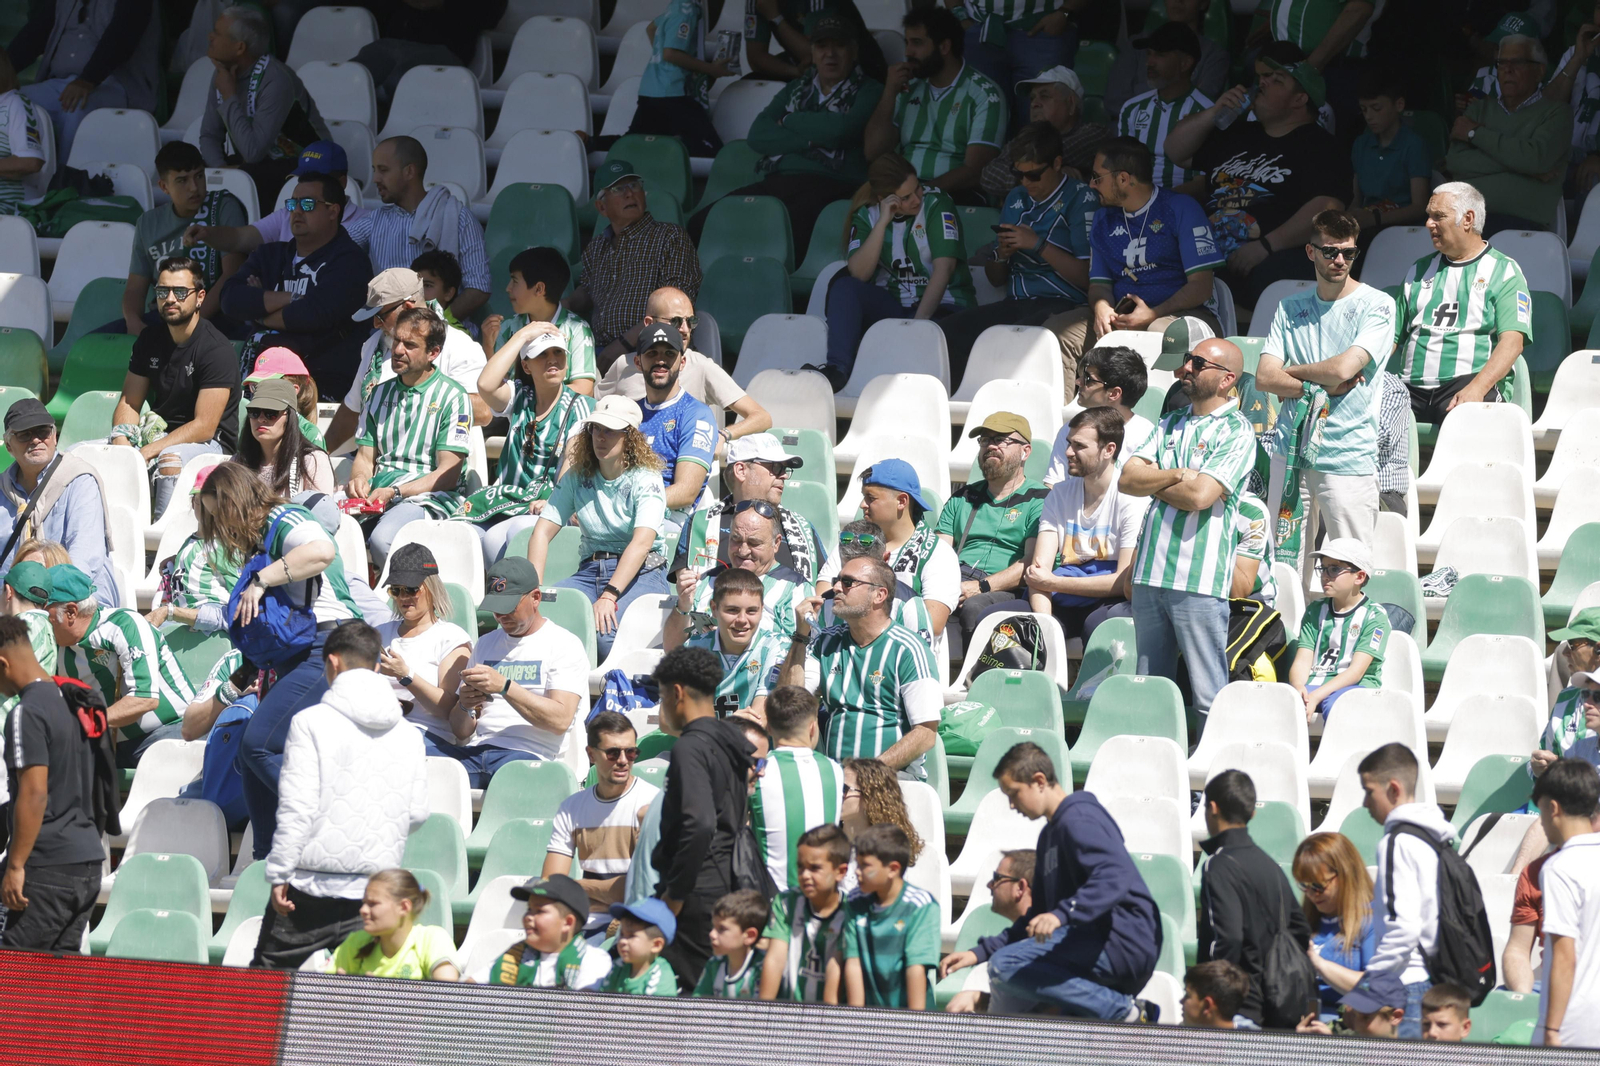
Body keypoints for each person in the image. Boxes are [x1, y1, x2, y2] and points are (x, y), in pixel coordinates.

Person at [200, 462, 361, 859]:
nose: (220, 525)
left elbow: (322, 551)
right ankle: (268, 860)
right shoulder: (258, 538)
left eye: (220, 513)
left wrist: (261, 580)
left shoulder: (284, 518)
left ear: (236, 501)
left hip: (331, 645)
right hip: (298, 652)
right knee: (250, 754)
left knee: (257, 744)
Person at [939, 741, 1161, 1020]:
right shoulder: (1049, 837)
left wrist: (1062, 914)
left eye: (1014, 793)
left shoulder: (1080, 818)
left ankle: (1125, 1012)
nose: (1011, 804)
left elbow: (1114, 875)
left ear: (1039, 781)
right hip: (1089, 946)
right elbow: (1036, 917)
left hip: (1124, 942)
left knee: (1005, 965)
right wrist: (977, 952)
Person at [254, 620, 427, 969]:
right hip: (374, 892)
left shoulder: (309, 722)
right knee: (357, 1011)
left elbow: (296, 809)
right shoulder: (409, 735)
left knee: (264, 999)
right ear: (377, 666)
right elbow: (417, 814)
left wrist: (279, 873)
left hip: (308, 886)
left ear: (332, 662)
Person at [1119, 337, 1255, 718]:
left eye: (1198, 363)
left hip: (1198, 579)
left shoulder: (1237, 431)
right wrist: (1179, 474)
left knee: (1207, 695)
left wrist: (1156, 479)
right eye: (1188, 361)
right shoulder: (1171, 421)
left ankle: (1211, 771)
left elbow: (1201, 497)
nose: (1187, 369)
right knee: (1149, 689)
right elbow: (1127, 479)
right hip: (1148, 574)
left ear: (1227, 379)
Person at [1161, 49, 1350, 306]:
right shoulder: (1238, 133)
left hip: (1266, 257)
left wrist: (1266, 246)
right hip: (1205, 250)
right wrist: (1215, 111)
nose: (1262, 82)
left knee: (1277, 272)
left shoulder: (1320, 146)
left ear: (1299, 99)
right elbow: (1175, 150)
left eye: (1277, 80)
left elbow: (1327, 208)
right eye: (1264, 77)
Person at [1255, 210, 1392, 558]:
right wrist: (1319, 387)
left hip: (1347, 453)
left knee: (1351, 568)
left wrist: (1295, 371)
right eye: (1330, 251)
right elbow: (1265, 377)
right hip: (1290, 453)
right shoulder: (1289, 307)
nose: (1340, 260)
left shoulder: (1378, 304)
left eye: (1349, 253)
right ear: (1310, 252)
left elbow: (1343, 369)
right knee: (1283, 567)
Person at [698, 12, 883, 265]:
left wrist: (788, 120)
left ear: (854, 51)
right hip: (780, 180)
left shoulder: (870, 90)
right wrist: (811, 141)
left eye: (839, 45)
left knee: (782, 231)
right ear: (813, 51)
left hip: (833, 183)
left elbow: (841, 131)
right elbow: (758, 134)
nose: (830, 54)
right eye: (822, 46)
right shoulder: (797, 87)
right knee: (705, 221)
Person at [1044, 139, 1223, 395]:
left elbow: (1201, 287)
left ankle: (1162, 423)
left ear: (1124, 178)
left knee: (1157, 333)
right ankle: (1069, 423)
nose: (1092, 184)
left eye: (1097, 177)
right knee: (1057, 332)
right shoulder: (1103, 218)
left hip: (1184, 314)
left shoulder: (1180, 208)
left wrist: (1154, 313)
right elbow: (1099, 284)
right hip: (1122, 316)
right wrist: (1102, 307)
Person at [938, 121, 1099, 381]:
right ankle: (958, 410)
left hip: (1064, 304)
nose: (1026, 182)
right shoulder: (1015, 197)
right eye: (1019, 174)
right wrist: (1001, 254)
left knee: (1010, 339)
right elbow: (995, 278)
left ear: (1057, 163)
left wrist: (1037, 244)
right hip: (1016, 302)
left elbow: (1087, 278)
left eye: (1033, 175)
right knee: (946, 332)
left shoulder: (1082, 198)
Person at [810, 153, 974, 392]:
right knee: (844, 286)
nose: (917, 199)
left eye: (917, 188)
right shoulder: (868, 214)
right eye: (905, 198)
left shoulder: (937, 202)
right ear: (884, 199)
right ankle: (837, 371)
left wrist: (917, 326)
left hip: (944, 307)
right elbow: (859, 274)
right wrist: (882, 222)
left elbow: (944, 268)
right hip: (894, 306)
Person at [527, 396, 671, 660]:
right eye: (596, 428)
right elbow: (540, 533)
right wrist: (532, 590)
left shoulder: (647, 479)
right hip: (589, 571)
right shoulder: (576, 477)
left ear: (630, 437)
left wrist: (610, 594)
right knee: (539, 622)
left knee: (606, 638)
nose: (600, 437)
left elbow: (641, 544)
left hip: (643, 572)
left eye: (610, 430)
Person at [650, 646, 760, 990]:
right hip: (728, 883)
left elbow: (699, 825)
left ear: (678, 693)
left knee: (694, 999)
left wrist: (675, 897)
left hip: (696, 895)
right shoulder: (730, 737)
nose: (664, 705)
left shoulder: (690, 747)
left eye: (663, 695)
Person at [779, 556, 941, 779]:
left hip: (892, 780)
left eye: (848, 582)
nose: (835, 587)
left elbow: (925, 733)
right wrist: (800, 636)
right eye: (837, 580)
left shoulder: (909, 649)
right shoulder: (826, 643)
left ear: (879, 595)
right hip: (836, 780)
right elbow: (790, 706)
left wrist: (866, 774)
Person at [0, 614, 104, 952]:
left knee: (14, 982)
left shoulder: (25, 713)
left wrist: (15, 866)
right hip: (87, 863)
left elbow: (34, 793)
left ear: (2, 664)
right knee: (55, 993)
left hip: (46, 868)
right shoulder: (77, 702)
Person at [111, 257, 242, 520]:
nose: (170, 299)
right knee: (82, 453)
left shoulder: (216, 349)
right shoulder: (149, 339)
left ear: (200, 297)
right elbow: (129, 402)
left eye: (180, 292)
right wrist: (121, 441)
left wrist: (148, 451)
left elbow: (205, 425)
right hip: (159, 436)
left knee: (169, 459)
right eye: (162, 291)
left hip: (211, 444)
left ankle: (159, 543)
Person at [220, 174, 373, 398]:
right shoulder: (270, 255)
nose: (297, 211)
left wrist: (260, 310)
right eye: (292, 204)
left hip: (318, 385)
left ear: (333, 211)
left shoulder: (350, 261)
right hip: (258, 378)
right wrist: (289, 298)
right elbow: (230, 299)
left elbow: (313, 314)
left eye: (308, 204)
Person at [1392, 182, 1531, 425]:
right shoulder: (1419, 269)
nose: (1428, 224)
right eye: (1428, 216)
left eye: (1439, 216)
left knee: (1467, 421)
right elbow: (1390, 337)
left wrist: (1477, 388)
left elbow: (1513, 342)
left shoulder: (1505, 271)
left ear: (1467, 219)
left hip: (1467, 384)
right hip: (1408, 389)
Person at [440, 557, 587, 788]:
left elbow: (560, 720)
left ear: (535, 598)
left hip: (530, 756)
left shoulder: (564, 644)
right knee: (419, 767)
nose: (501, 616)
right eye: (495, 609)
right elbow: (461, 730)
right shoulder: (485, 643)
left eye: (509, 607)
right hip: (477, 750)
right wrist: (464, 706)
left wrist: (506, 687)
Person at [345, 305, 472, 568]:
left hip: (427, 498)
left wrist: (396, 491)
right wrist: (358, 479)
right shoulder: (377, 394)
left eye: (410, 345)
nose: (398, 350)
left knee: (383, 540)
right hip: (379, 494)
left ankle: (403, 603)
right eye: (397, 340)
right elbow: (365, 458)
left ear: (433, 353)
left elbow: (448, 474)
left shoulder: (454, 397)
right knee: (333, 532)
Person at [466, 323, 594, 565]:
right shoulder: (520, 397)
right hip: (507, 500)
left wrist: (555, 501)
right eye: (542, 355)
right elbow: (485, 384)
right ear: (526, 365)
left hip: (548, 504)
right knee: (464, 535)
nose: (552, 360)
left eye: (558, 353)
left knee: (496, 538)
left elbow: (573, 461)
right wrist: (522, 335)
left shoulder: (582, 406)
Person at [46, 564, 193, 767]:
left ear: (71, 612)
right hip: (111, 744)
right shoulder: (57, 648)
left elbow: (145, 699)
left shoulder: (125, 625)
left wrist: (85, 723)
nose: (39, 620)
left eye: (44, 612)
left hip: (170, 733)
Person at [1197, 769, 1313, 1028]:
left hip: (1236, 1011)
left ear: (1212, 808)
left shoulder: (1218, 864)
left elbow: (1225, 939)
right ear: (1252, 814)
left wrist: (1210, 997)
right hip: (1277, 1011)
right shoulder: (1271, 866)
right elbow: (1300, 930)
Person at [593, 287, 773, 450]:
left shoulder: (701, 366)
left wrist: (722, 435)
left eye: (691, 321)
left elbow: (761, 417)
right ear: (649, 322)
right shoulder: (623, 364)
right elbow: (594, 409)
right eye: (676, 321)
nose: (685, 329)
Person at [1358, 741, 1456, 1038]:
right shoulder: (1435, 837)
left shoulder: (1396, 842)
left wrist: (1368, 985)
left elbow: (1403, 929)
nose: (1365, 803)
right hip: (1433, 980)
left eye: (1369, 791)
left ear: (1394, 789)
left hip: (1407, 986)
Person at [1023, 407, 1146, 640]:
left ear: (1109, 450)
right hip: (1061, 596)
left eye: (1079, 446)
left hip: (1107, 600)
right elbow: (1039, 574)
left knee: (1099, 627)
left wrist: (1054, 582)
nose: (1068, 452)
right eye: (1069, 443)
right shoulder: (1059, 494)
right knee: (1005, 619)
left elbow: (1122, 581)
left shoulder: (1131, 499)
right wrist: (1044, 626)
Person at [334, 267, 491, 448]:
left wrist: (414, 400)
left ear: (407, 308)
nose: (376, 324)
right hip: (381, 466)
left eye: (380, 315)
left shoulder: (458, 345)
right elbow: (352, 411)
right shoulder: (373, 344)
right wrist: (319, 451)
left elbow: (483, 411)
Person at [198, 5, 329, 215]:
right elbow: (209, 135)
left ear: (240, 48)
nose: (210, 36)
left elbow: (253, 153)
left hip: (311, 162)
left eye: (218, 33)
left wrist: (230, 96)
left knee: (249, 173)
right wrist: (220, 173)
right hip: (259, 165)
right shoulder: (221, 75)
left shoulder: (275, 79)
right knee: (191, 170)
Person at [863, 7, 1004, 201]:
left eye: (917, 43)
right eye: (907, 42)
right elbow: (873, 152)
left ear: (944, 47)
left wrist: (920, 193)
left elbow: (975, 171)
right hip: (903, 189)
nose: (907, 52)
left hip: (956, 195)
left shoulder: (985, 94)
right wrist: (889, 92)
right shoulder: (905, 88)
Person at [570, 162, 703, 362]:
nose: (629, 194)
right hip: (599, 352)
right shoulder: (597, 246)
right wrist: (553, 306)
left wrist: (622, 345)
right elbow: (586, 293)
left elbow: (673, 308)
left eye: (634, 185)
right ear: (601, 207)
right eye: (618, 189)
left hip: (653, 351)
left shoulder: (669, 237)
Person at [938, 412, 1046, 656]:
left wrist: (981, 586)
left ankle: (976, 682)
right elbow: (939, 553)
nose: (991, 446)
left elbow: (1031, 562)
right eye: (985, 440)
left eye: (1001, 440)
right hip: (958, 579)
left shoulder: (1040, 499)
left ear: (1025, 451)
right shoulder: (963, 497)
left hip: (1006, 588)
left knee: (976, 606)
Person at [541, 710, 661, 930]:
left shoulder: (652, 804)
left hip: (633, 926)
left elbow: (637, 891)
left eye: (631, 752)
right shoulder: (571, 808)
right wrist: (608, 894)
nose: (624, 761)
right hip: (582, 921)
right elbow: (551, 884)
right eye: (613, 753)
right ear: (591, 754)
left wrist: (575, 887)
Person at [349, 136, 489, 319]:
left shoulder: (459, 218)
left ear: (409, 172)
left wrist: (433, 326)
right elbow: (333, 254)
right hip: (387, 333)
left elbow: (479, 289)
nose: (375, 178)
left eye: (383, 170)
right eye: (375, 170)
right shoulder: (373, 221)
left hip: (444, 338)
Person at [6, 0, 160, 165]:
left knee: (75, 105)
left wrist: (87, 80)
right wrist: (4, 70)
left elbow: (121, 37)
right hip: (57, 84)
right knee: (10, 101)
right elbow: (34, 35)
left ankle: (67, 181)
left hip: (115, 86)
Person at [1446, 34, 1571, 235]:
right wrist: (1526, 167)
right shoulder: (1478, 110)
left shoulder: (1557, 113)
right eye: (1502, 63)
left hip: (1522, 228)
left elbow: (1536, 158)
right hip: (1467, 219)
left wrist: (1474, 132)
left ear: (1539, 71)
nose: (1507, 70)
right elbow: (1454, 162)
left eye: (1518, 62)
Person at [673, 434, 834, 590]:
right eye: (776, 467)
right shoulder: (701, 523)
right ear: (741, 470)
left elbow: (825, 582)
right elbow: (686, 585)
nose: (784, 475)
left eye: (785, 469)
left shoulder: (802, 527)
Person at [120, 142, 247, 336]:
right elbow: (135, 289)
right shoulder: (147, 222)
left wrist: (190, 326)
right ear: (164, 186)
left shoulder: (223, 208)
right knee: (93, 344)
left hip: (215, 318)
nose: (194, 188)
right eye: (182, 180)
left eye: (198, 176)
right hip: (164, 315)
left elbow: (232, 275)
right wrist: (133, 322)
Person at [0, 403, 117, 608]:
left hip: (71, 600)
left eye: (43, 431)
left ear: (54, 437)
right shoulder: (2, 488)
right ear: (9, 446)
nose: (36, 440)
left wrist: (39, 605)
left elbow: (83, 561)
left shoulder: (80, 480)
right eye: (24, 435)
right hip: (11, 602)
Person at [184, 141, 373, 257]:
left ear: (342, 182)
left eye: (318, 178)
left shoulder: (368, 224)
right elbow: (240, 238)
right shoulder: (289, 213)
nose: (308, 184)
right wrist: (207, 234)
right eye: (304, 178)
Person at [373, 544, 470, 748]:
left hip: (427, 734)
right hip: (379, 729)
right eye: (396, 590)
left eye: (411, 589)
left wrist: (406, 675)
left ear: (432, 588)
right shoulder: (379, 632)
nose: (403, 597)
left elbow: (448, 710)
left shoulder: (451, 637)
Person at [1533, 757, 1600, 1047]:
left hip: (1571, 1026)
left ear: (1553, 808)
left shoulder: (1559, 867)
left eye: (1541, 812)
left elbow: (1563, 955)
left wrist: (1551, 1028)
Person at [669, 504, 810, 643]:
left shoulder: (795, 589)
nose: (743, 551)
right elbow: (672, 648)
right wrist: (683, 606)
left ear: (776, 543)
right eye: (736, 540)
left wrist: (729, 638)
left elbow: (798, 652)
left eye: (754, 543)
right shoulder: (707, 581)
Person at [749, 686, 843, 890]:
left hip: (772, 901)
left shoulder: (758, 772)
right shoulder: (835, 770)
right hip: (823, 897)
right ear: (812, 727)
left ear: (770, 728)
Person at [839, 824, 939, 1009]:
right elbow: (853, 963)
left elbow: (916, 968)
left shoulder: (921, 906)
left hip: (909, 1018)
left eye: (865, 866)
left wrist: (913, 1025)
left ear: (893, 869)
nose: (857, 872)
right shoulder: (854, 901)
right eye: (857, 864)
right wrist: (854, 1021)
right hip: (868, 1019)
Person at [979, 66, 1112, 203]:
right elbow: (988, 174)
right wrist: (1049, 177)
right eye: (1032, 98)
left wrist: (1022, 175)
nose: (1034, 104)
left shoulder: (1094, 134)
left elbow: (1043, 152)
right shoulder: (1026, 138)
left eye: (1044, 96)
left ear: (1071, 104)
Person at [860, 460, 959, 643]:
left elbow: (931, 624)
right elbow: (823, 602)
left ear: (902, 501)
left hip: (908, 664)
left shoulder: (939, 554)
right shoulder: (852, 542)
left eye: (870, 498)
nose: (862, 505)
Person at [666, 567, 785, 718]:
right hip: (706, 739)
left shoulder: (776, 647)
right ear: (714, 609)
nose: (742, 620)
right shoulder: (693, 649)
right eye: (732, 610)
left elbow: (759, 719)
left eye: (751, 611)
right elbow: (672, 718)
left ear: (762, 610)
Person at [1288, 539, 1387, 721]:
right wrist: (1298, 687)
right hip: (1315, 681)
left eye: (1334, 569)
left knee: (1340, 706)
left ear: (1359, 577)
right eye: (1323, 568)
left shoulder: (1375, 616)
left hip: (1355, 686)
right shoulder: (1314, 610)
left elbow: (1355, 672)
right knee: (1287, 702)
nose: (1325, 575)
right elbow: (1302, 661)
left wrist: (1316, 696)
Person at [633, 324, 716, 535]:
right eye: (652, 353)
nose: (660, 360)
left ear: (683, 362)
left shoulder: (696, 414)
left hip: (670, 521)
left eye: (669, 354)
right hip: (625, 515)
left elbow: (686, 491)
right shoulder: (629, 413)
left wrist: (626, 503)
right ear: (637, 361)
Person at [480, 247, 597, 396]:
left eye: (515, 281)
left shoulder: (577, 329)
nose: (508, 288)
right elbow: (496, 387)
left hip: (563, 417)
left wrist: (532, 400)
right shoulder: (506, 328)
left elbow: (584, 389)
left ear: (539, 289)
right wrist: (488, 347)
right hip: (513, 417)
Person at [1116, 22, 1213, 196]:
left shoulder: (1206, 112)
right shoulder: (1132, 108)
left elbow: (1204, 182)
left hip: (1182, 207)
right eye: (1148, 54)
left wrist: (1161, 200)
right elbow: (1122, 168)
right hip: (1134, 202)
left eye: (1159, 55)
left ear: (1185, 64)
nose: (1149, 62)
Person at [628, 0, 735, 158]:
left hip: (650, 89)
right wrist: (711, 69)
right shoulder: (687, 10)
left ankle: (591, 142)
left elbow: (651, 28)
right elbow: (670, 54)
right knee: (713, 150)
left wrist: (664, 63)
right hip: (672, 92)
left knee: (631, 142)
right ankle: (671, 152)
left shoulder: (676, 6)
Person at [760, 822, 852, 1002]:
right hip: (789, 1014)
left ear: (840, 872)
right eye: (801, 867)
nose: (804, 875)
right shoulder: (786, 903)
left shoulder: (852, 911)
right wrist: (764, 1013)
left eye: (815, 868)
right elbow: (774, 960)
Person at [1294, 832, 1379, 1022]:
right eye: (1304, 886)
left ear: (1345, 874)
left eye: (1318, 885)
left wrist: (1318, 964)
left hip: (1345, 1030)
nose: (1311, 894)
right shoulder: (1303, 922)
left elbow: (1374, 989)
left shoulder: (1372, 921)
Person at [352, 0, 504, 105]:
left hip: (445, 50)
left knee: (403, 79)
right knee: (350, 74)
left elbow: (491, 14)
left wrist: (443, 3)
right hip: (391, 44)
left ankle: (405, 141)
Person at [1044, 345, 1154, 485]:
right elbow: (1053, 485)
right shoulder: (1070, 429)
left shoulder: (1146, 435)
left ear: (1114, 393)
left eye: (1088, 379)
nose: (1078, 382)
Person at [945, 848, 1036, 1012]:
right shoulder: (1023, 937)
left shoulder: (1045, 944)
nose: (989, 884)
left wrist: (977, 997)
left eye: (997, 878)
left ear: (1020, 887)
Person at [327, 869, 460, 980]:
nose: (363, 910)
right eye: (364, 903)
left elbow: (446, 998)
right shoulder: (355, 942)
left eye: (373, 904)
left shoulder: (432, 939)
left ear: (404, 907)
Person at [485, 873, 613, 989]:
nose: (528, 916)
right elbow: (472, 986)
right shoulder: (514, 955)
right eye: (529, 909)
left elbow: (584, 1008)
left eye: (539, 911)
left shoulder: (593, 960)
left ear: (567, 923)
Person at [1105, 0, 1228, 116]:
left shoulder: (1213, 55)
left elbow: (1199, 107)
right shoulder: (1137, 44)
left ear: (1203, 3)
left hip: (1180, 131)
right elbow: (1115, 100)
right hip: (1129, 128)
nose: (1178, 0)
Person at [1349, 70, 1430, 237]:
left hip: (1406, 231)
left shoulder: (1413, 145)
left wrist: (1375, 219)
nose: (1369, 116)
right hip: (1367, 226)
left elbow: (1419, 207)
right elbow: (1355, 201)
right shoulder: (1361, 144)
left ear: (1399, 105)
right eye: (1364, 110)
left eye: (1376, 108)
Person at [741, 0, 886, 85]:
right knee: (750, 83)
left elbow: (817, 56)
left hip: (855, 69)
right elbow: (755, 58)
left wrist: (776, 18)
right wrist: (794, 72)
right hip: (807, 68)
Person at [234, 377, 336, 496]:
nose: (261, 419)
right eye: (254, 412)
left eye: (270, 413)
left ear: (290, 417)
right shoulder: (238, 463)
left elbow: (322, 512)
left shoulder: (312, 461)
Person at [694, 889, 771, 997]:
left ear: (749, 936)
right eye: (713, 926)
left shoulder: (763, 969)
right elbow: (697, 1006)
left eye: (722, 929)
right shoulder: (714, 965)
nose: (712, 934)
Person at [600, 898, 680, 996]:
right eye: (622, 934)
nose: (622, 941)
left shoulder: (660, 979)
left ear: (656, 945)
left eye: (631, 936)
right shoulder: (617, 967)